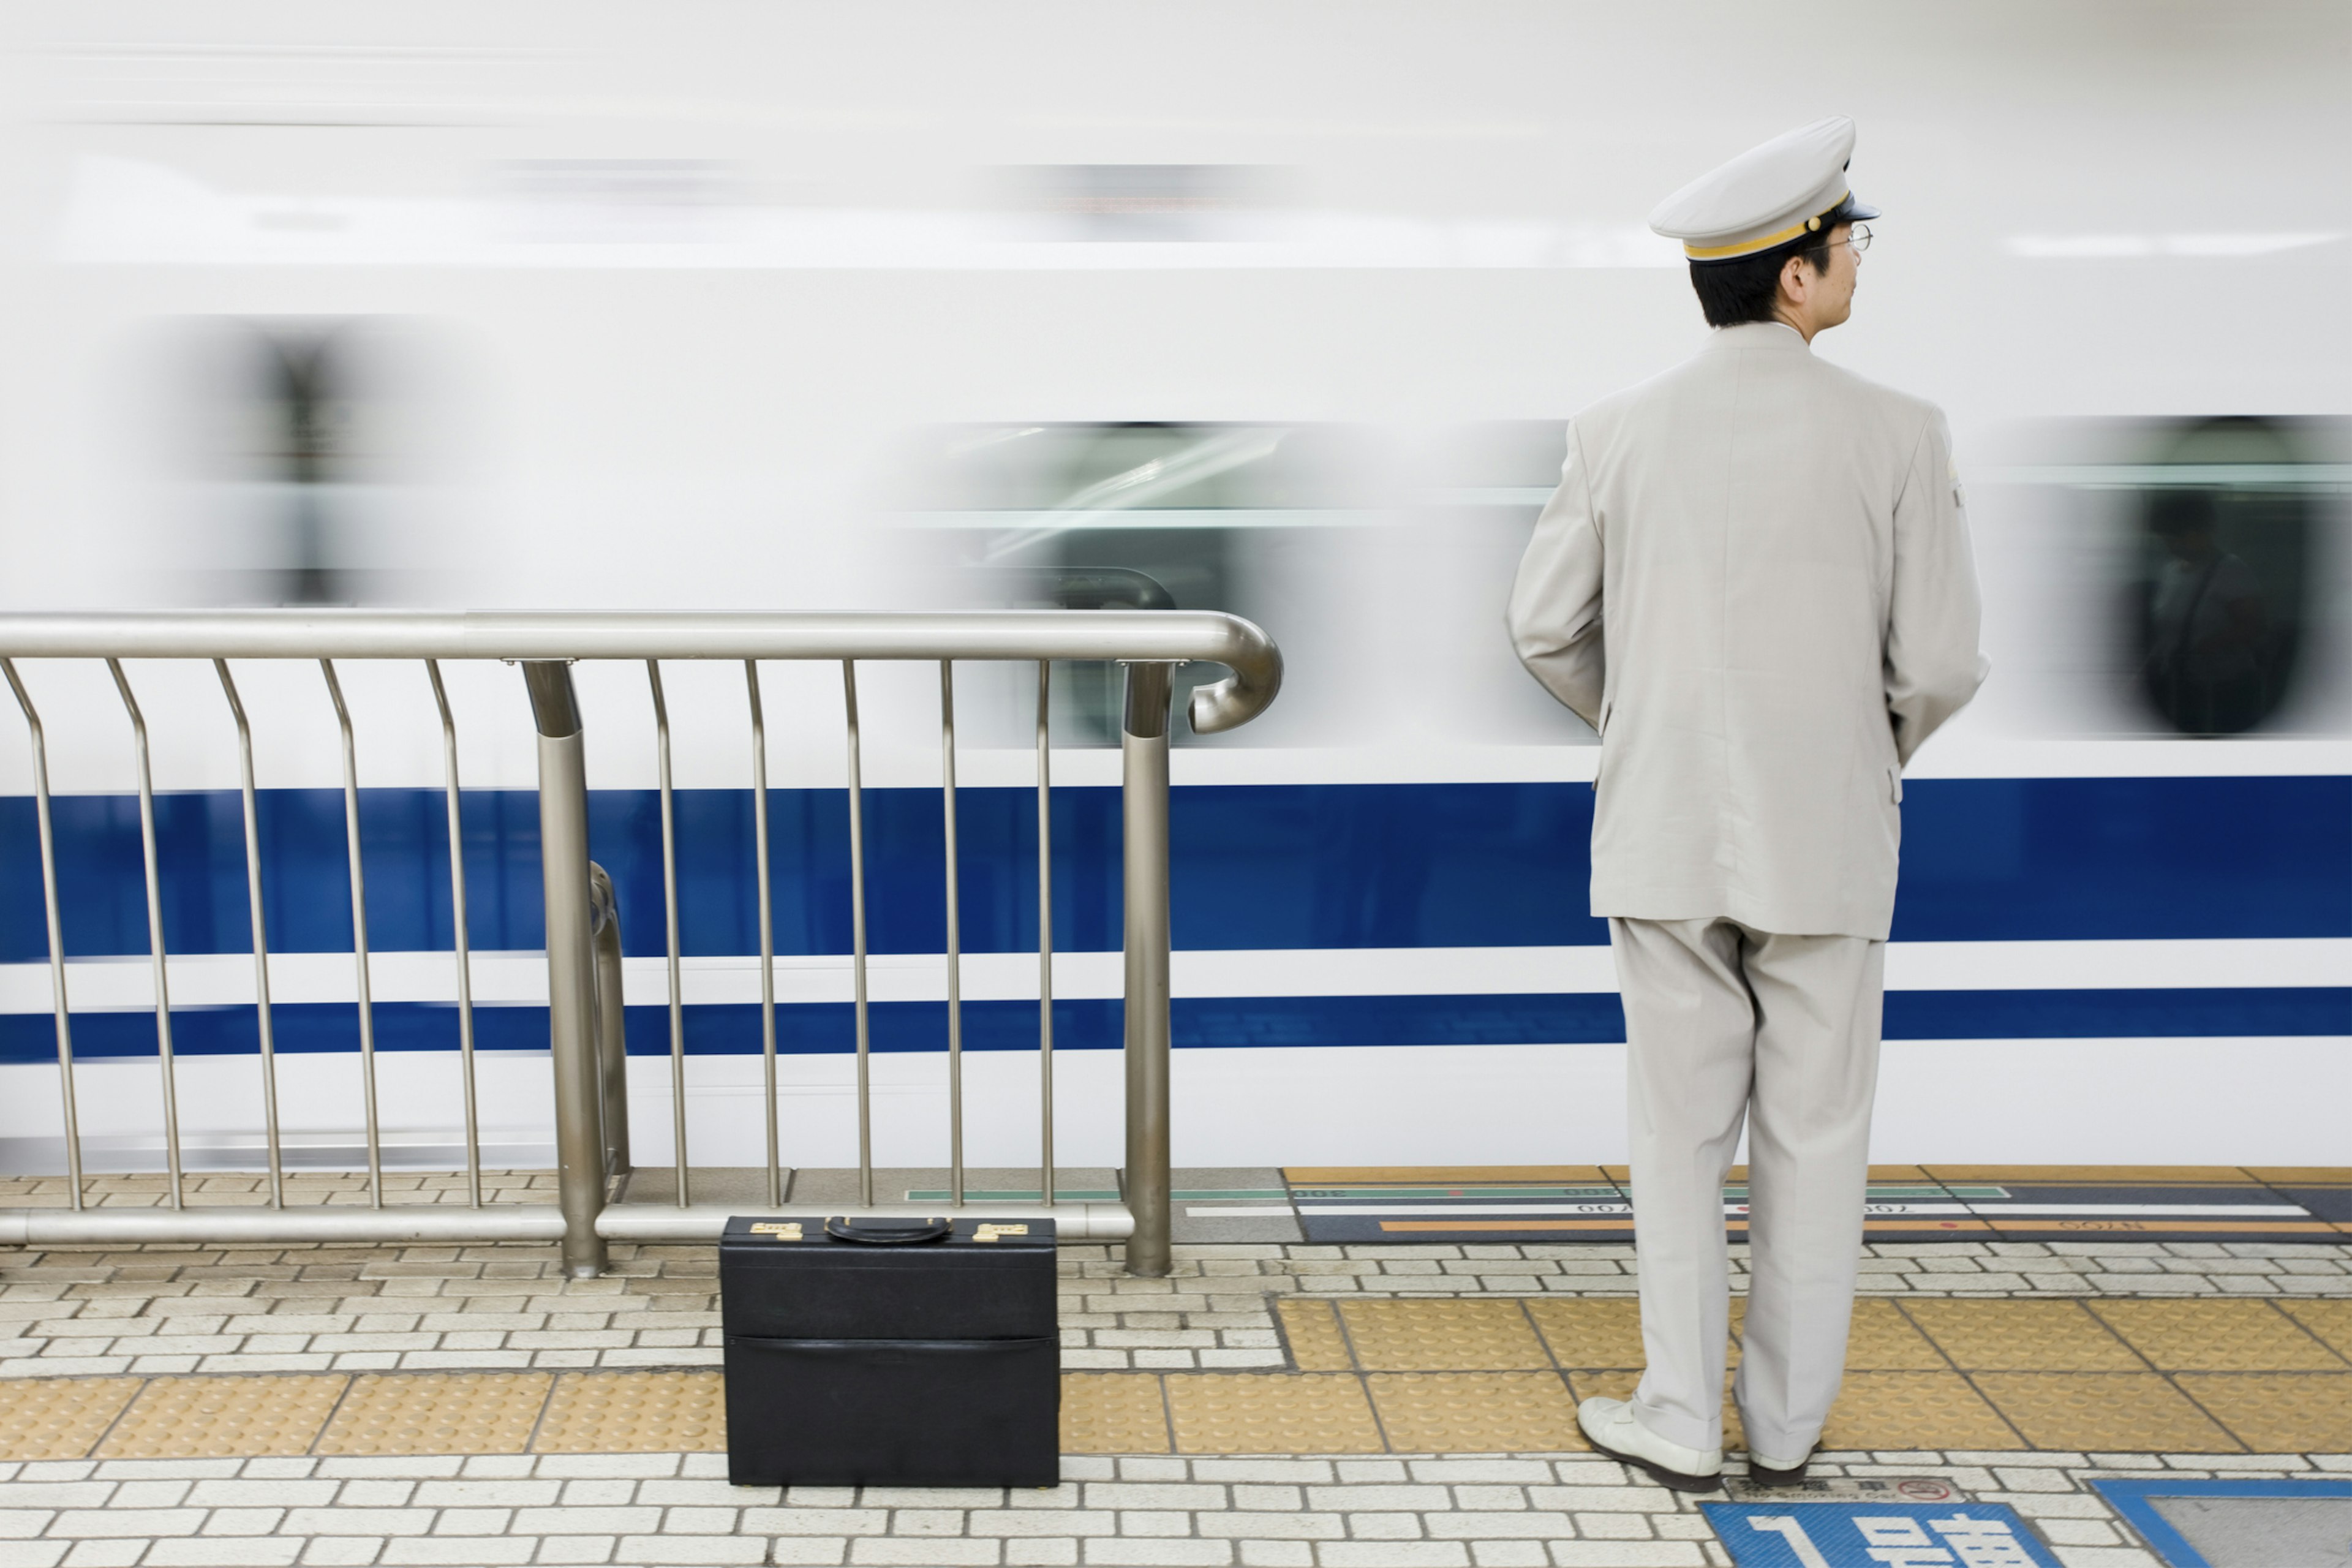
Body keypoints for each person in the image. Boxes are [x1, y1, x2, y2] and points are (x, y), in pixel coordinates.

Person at [1506, 116, 1986, 1492]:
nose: (1858, 261)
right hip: (1828, 832)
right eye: (1852, 242)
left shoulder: (1613, 431)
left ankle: (1675, 1413)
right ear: (1796, 273)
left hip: (1659, 830)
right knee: (1817, 1131)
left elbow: (1542, 628)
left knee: (1677, 1133)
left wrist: (1646, 723)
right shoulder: (1901, 431)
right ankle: (1781, 1422)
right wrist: (1858, 740)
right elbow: (1943, 661)